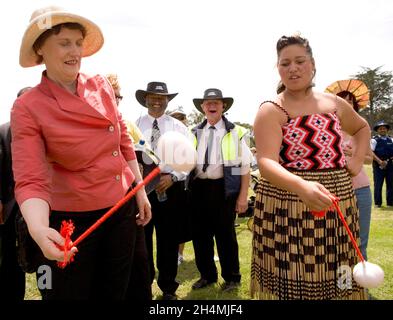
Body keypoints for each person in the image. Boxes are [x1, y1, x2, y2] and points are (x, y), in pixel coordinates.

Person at [11, 6, 151, 300]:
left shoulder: (101, 86)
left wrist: (139, 189)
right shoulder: (28, 107)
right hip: (71, 223)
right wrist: (38, 229)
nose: (75, 51)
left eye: (78, 42)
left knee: (117, 292)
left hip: (120, 211)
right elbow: (31, 177)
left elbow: (122, 141)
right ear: (40, 49)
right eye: (64, 43)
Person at [252, 34, 370, 300]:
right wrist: (301, 186)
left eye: (299, 61)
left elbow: (362, 128)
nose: (292, 68)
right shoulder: (271, 109)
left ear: (313, 64)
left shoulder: (334, 103)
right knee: (296, 278)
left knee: (338, 273)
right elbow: (266, 161)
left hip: (339, 203)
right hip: (288, 205)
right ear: (278, 68)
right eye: (285, 63)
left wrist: (355, 160)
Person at [188, 88, 251, 292]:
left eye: (217, 102)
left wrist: (243, 197)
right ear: (203, 107)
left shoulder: (237, 131)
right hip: (198, 188)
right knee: (200, 236)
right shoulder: (192, 131)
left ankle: (232, 278)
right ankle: (207, 275)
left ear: (224, 106)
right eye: (208, 103)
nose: (212, 106)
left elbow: (245, 167)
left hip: (223, 189)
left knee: (226, 236)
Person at [135, 81, 190, 300]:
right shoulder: (134, 124)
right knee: (143, 241)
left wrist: (173, 176)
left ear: (167, 101)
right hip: (141, 191)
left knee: (168, 240)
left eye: (162, 98)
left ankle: (168, 288)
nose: (157, 101)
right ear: (145, 99)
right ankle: (144, 284)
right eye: (153, 97)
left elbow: (188, 160)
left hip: (170, 189)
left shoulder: (179, 128)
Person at [106, 73, 152, 300]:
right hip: (101, 206)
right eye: (108, 96)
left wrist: (141, 191)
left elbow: (149, 152)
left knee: (139, 262)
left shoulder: (128, 126)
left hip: (131, 200)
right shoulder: (84, 126)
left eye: (118, 97)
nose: (114, 101)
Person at [330, 85, 373, 261]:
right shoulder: (328, 126)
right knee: (337, 239)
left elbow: (369, 159)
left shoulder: (361, 128)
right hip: (335, 189)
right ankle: (343, 282)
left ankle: (361, 283)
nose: (346, 104)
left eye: (350, 101)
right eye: (342, 101)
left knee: (361, 239)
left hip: (360, 189)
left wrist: (355, 155)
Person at [0, 87, 32, 300]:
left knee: (42, 258)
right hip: (10, 208)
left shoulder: (47, 130)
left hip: (45, 207)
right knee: (10, 258)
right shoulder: (3, 132)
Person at [106, 73, 145, 144]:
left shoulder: (129, 124)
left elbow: (147, 150)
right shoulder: (90, 123)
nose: (117, 101)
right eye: (113, 95)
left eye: (119, 97)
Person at [370, 120, 393, 207]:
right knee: (378, 184)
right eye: (380, 129)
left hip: (390, 165)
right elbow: (370, 152)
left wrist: (388, 161)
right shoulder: (374, 140)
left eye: (384, 128)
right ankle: (378, 203)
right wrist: (380, 161)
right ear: (377, 130)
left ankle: (390, 203)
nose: (382, 130)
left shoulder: (391, 139)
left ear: (387, 130)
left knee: (391, 184)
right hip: (378, 165)